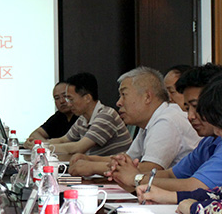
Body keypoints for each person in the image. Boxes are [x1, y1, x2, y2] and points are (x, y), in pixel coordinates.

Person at [110, 64, 222, 192]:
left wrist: (136, 179)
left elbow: (194, 186)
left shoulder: (168, 119)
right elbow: (172, 174)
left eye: (196, 107)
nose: (190, 116)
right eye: (187, 108)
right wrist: (128, 174)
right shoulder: (208, 142)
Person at [70, 67, 199, 177]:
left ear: (147, 97)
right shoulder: (149, 122)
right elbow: (128, 160)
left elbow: (149, 169)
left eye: (124, 95)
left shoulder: (166, 120)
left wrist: (93, 167)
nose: (118, 102)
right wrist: (89, 159)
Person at [47, 72, 131, 157]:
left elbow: (78, 147)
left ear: (87, 98)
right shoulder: (82, 119)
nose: (68, 104)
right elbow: (63, 140)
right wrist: (42, 144)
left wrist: (46, 148)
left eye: (71, 99)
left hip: (114, 164)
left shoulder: (106, 116)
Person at [23, 82, 78, 148]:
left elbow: (76, 146)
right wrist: (42, 144)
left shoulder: (82, 117)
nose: (62, 101)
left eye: (65, 96)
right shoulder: (59, 116)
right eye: (57, 98)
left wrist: (44, 145)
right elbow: (36, 134)